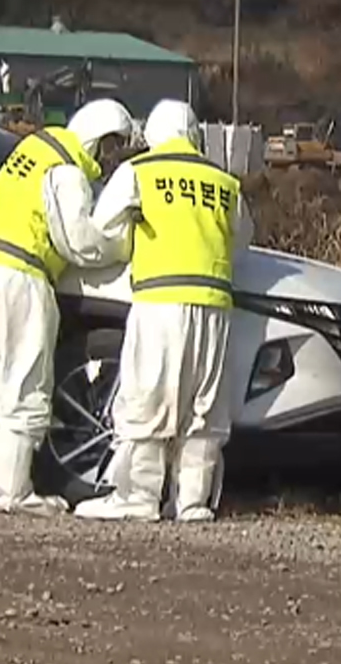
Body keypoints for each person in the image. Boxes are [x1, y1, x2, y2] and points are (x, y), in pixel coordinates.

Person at [0, 99, 137, 516]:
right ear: (97, 139)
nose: (108, 158)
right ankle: (12, 492)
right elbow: (77, 241)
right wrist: (119, 245)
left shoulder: (32, 151)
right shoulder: (66, 169)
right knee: (26, 385)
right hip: (19, 274)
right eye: (110, 147)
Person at [75, 100, 253, 523]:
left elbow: (103, 228)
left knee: (148, 399)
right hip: (213, 308)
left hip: (159, 303)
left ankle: (138, 496)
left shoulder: (139, 173)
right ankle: (192, 502)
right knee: (204, 409)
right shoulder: (223, 181)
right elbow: (242, 239)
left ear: (152, 134)